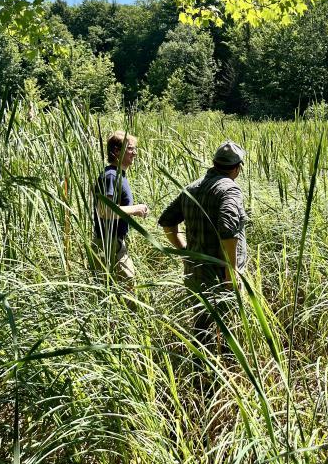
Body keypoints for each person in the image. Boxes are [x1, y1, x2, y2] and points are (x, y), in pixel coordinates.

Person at [158, 139, 247, 348]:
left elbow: (167, 222)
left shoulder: (192, 188)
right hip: (220, 275)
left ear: (214, 163)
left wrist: (185, 252)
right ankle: (223, 374)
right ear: (237, 168)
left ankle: (201, 373)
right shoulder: (230, 191)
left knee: (202, 329)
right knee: (227, 333)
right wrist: (231, 276)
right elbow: (228, 232)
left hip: (195, 272)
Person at [92, 130, 149, 287]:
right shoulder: (111, 176)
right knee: (127, 287)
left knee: (120, 287)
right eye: (130, 148)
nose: (135, 153)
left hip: (113, 242)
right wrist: (136, 209)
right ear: (117, 151)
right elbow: (105, 211)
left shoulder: (119, 175)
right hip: (108, 242)